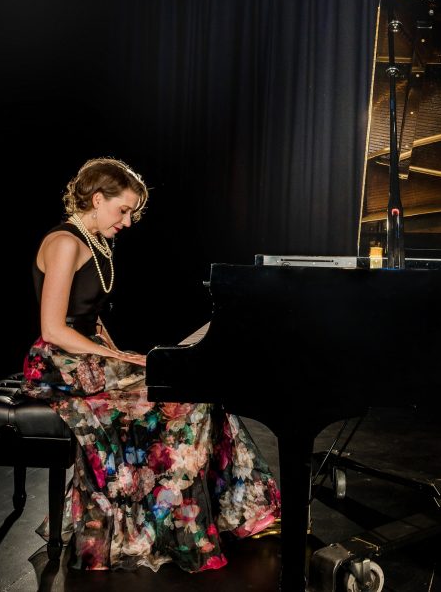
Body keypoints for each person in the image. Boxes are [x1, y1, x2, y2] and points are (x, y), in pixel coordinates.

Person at [22, 157, 280, 572]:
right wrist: (115, 357)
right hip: (59, 365)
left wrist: (118, 350)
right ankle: (179, 523)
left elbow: (88, 316)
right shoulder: (65, 242)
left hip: (86, 357)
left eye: (131, 212)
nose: (127, 221)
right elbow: (53, 328)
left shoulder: (97, 242)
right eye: (122, 210)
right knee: (181, 396)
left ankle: (242, 510)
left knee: (193, 387)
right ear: (96, 198)